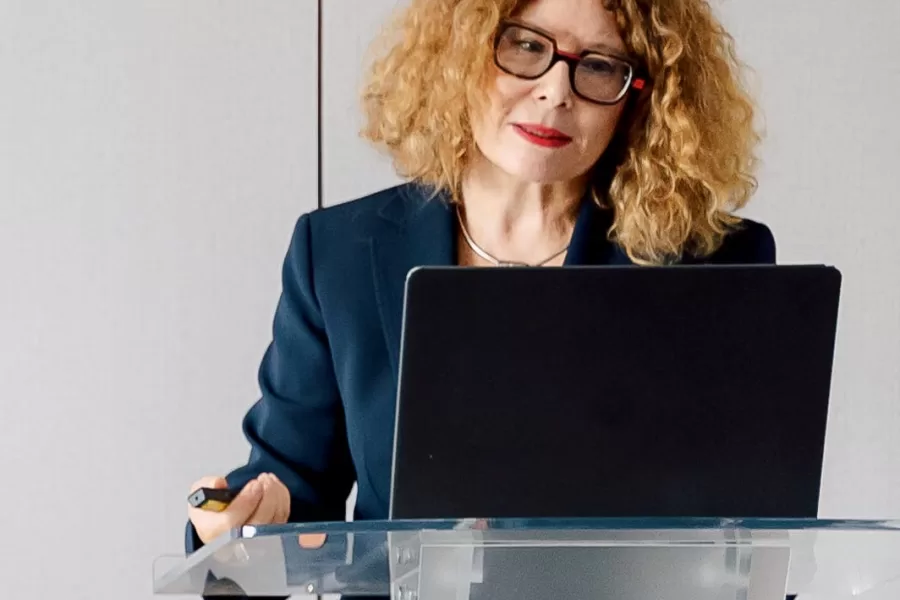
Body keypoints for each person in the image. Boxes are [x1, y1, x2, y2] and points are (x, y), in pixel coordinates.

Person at [186, 0, 775, 552]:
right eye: (526, 46)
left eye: (599, 66)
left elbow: (758, 534)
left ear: (640, 98)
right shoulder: (338, 253)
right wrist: (237, 523)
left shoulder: (714, 263)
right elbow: (288, 486)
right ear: (460, 50)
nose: (555, 92)